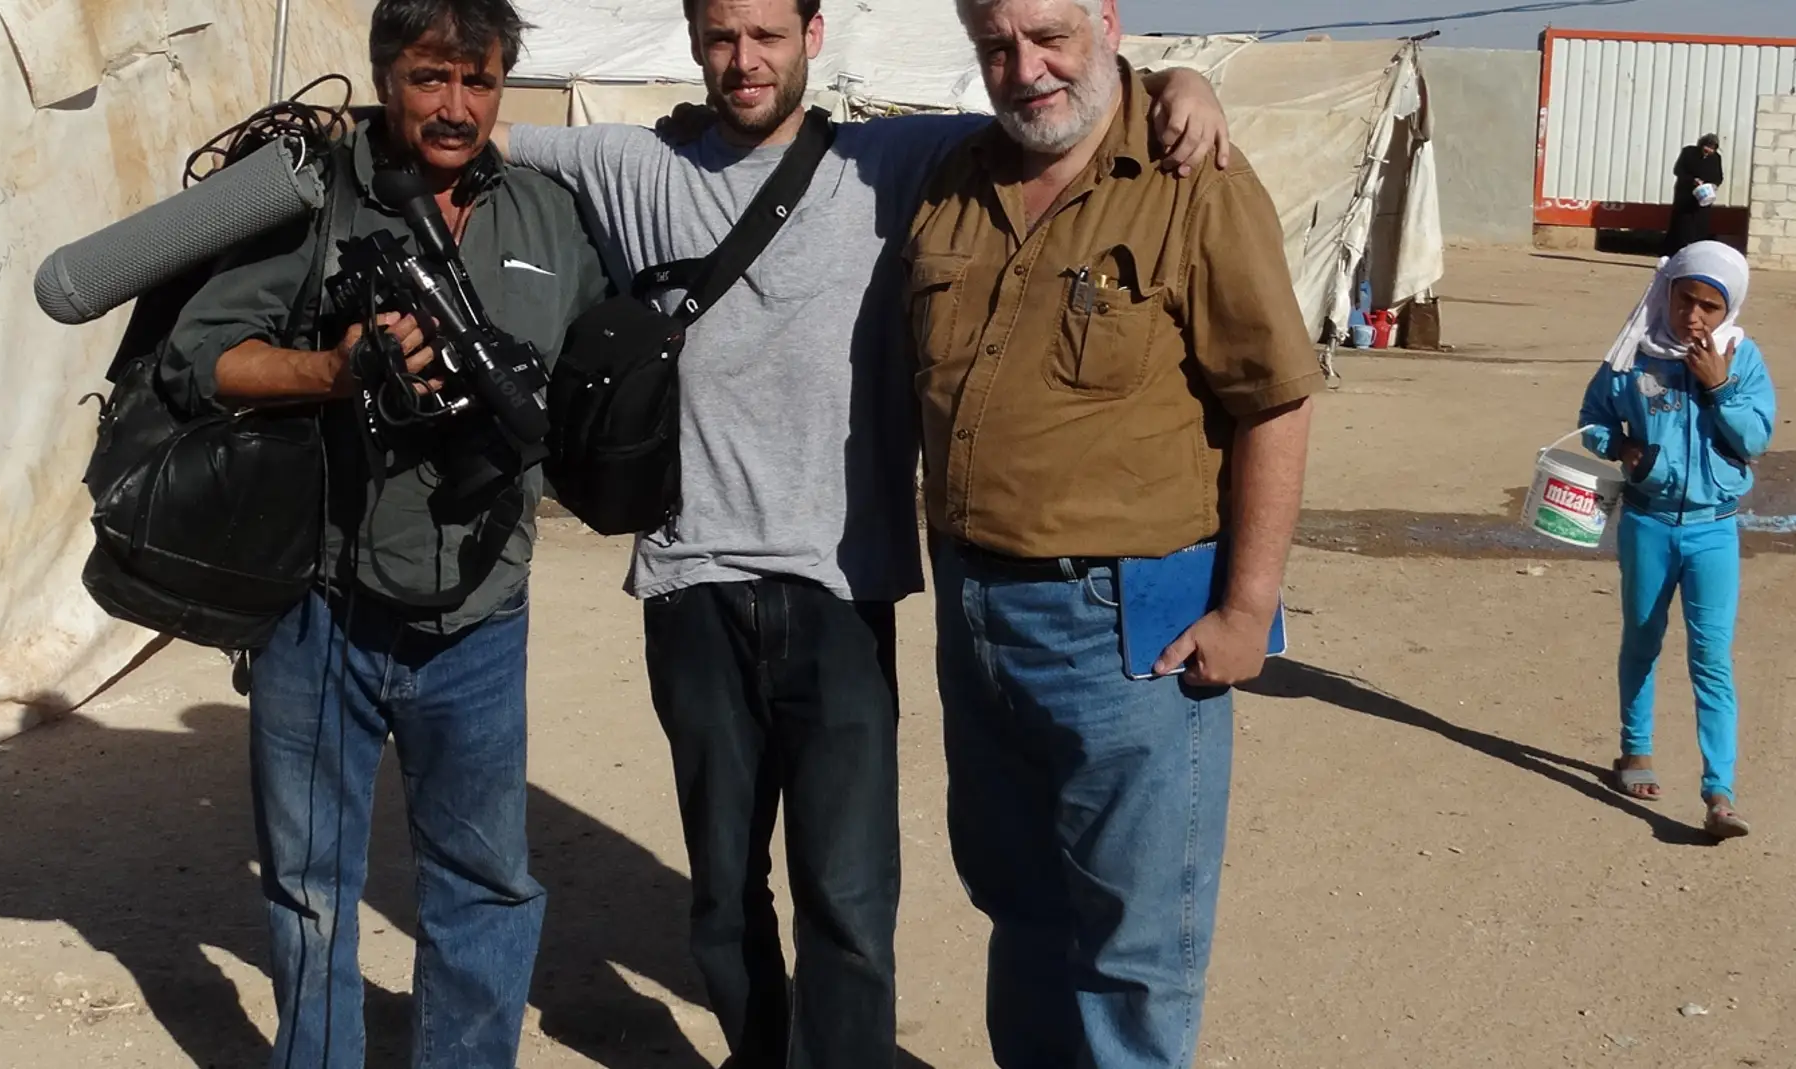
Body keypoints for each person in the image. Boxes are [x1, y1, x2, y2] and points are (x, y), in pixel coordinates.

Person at [488, 1, 1232, 1064]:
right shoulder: (628, 164)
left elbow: (1053, 95)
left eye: (766, 36)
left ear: (813, 36)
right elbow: (464, 124)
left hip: (841, 592)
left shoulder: (896, 159)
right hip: (689, 587)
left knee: (846, 896)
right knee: (721, 889)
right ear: (694, 43)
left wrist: (1174, 85)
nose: (744, 62)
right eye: (721, 39)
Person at [159, 1, 609, 1064]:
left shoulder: (549, 216)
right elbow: (199, 357)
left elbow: (599, 382)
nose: (455, 106)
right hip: (324, 607)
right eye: (428, 77)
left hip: (484, 612)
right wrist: (334, 369)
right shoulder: (309, 203)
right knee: (314, 888)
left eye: (478, 80)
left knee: (485, 884)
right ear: (383, 76)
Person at [908, 0, 1321, 1064]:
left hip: (1125, 633)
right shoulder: (953, 177)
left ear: (1105, 20)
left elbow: (1273, 397)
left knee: (1134, 956)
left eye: (1050, 36)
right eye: (995, 46)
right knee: (1022, 911)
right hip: (977, 611)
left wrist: (1246, 607)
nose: (1026, 68)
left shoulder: (1195, 181)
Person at [1580, 240, 1775, 841]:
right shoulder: (1632, 357)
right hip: (1647, 523)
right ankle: (1634, 752)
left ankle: (1720, 792)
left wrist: (1717, 387)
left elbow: (1756, 440)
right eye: (1685, 299)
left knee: (1711, 659)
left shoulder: (1742, 360)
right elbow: (1591, 419)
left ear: (1728, 309)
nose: (1694, 317)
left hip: (1714, 530)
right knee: (1642, 640)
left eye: (1710, 308)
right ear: (1666, 292)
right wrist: (1618, 447)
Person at [1665, 133, 1723, 255]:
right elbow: (1678, 170)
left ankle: (1696, 252)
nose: (1709, 151)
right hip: (1685, 196)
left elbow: (1719, 177)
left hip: (1702, 198)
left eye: (1712, 148)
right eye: (1707, 147)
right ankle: (1677, 252)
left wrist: (1713, 185)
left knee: (1700, 225)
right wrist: (1693, 180)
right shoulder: (1688, 152)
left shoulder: (1716, 158)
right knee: (1682, 225)